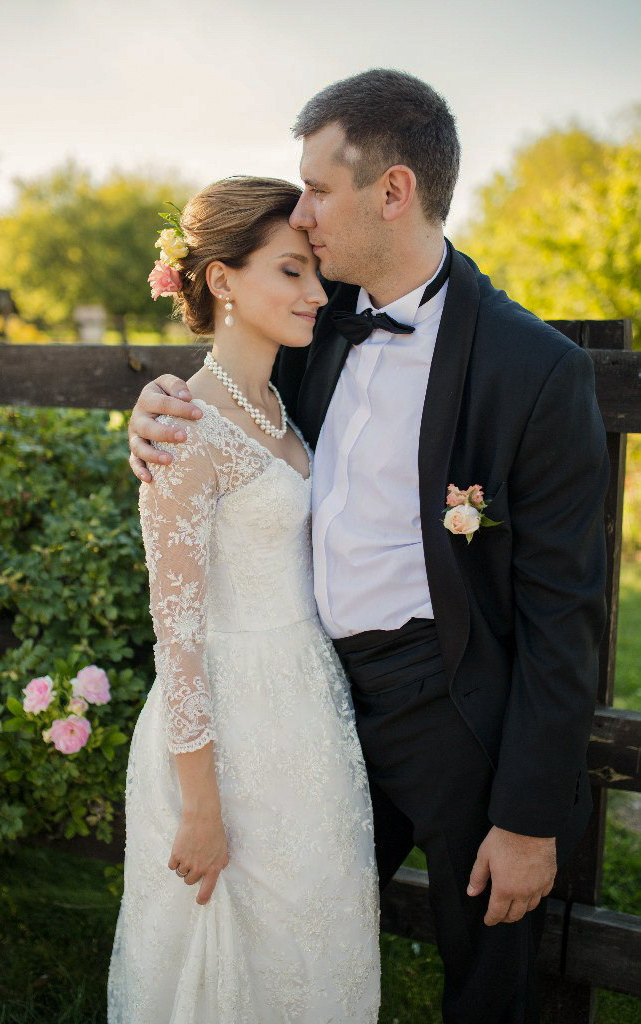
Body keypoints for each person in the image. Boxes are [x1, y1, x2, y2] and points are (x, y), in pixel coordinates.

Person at [127, 70, 609, 1024]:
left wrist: (527, 815)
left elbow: (568, 613)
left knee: (489, 970)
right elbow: (229, 409)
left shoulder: (534, 370)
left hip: (449, 705)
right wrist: (145, 410)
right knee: (294, 940)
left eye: (316, 187)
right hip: (305, 705)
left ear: (392, 191)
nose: (302, 214)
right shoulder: (315, 324)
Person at [107, 176, 380, 1024]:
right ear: (222, 280)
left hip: (306, 714)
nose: (316, 292)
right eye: (291, 272)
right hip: (223, 732)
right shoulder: (184, 426)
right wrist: (200, 806)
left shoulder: (280, 412)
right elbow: (177, 636)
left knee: (311, 938)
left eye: (315, 272)